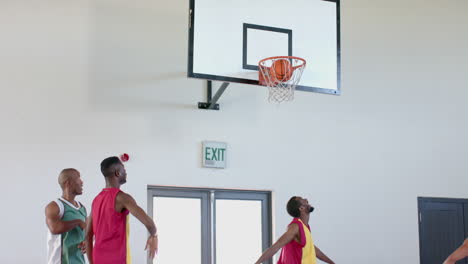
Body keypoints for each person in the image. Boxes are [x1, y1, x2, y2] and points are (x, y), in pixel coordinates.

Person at [85, 156, 158, 264]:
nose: (126, 171)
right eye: (123, 168)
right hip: (117, 259)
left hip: (98, 258)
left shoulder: (96, 200)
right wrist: (154, 235)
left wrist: (91, 262)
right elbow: (148, 222)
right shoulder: (122, 198)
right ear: (117, 173)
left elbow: (87, 235)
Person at [254, 196, 335, 264]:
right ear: (301, 208)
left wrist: (331, 262)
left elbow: (313, 250)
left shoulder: (305, 227)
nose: (306, 199)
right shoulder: (295, 227)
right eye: (303, 200)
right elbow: (277, 246)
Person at [45, 168, 87, 264]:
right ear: (68, 183)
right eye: (78, 178)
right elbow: (54, 228)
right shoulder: (55, 206)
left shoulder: (82, 208)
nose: (82, 182)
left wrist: (86, 241)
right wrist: (78, 222)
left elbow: (86, 230)